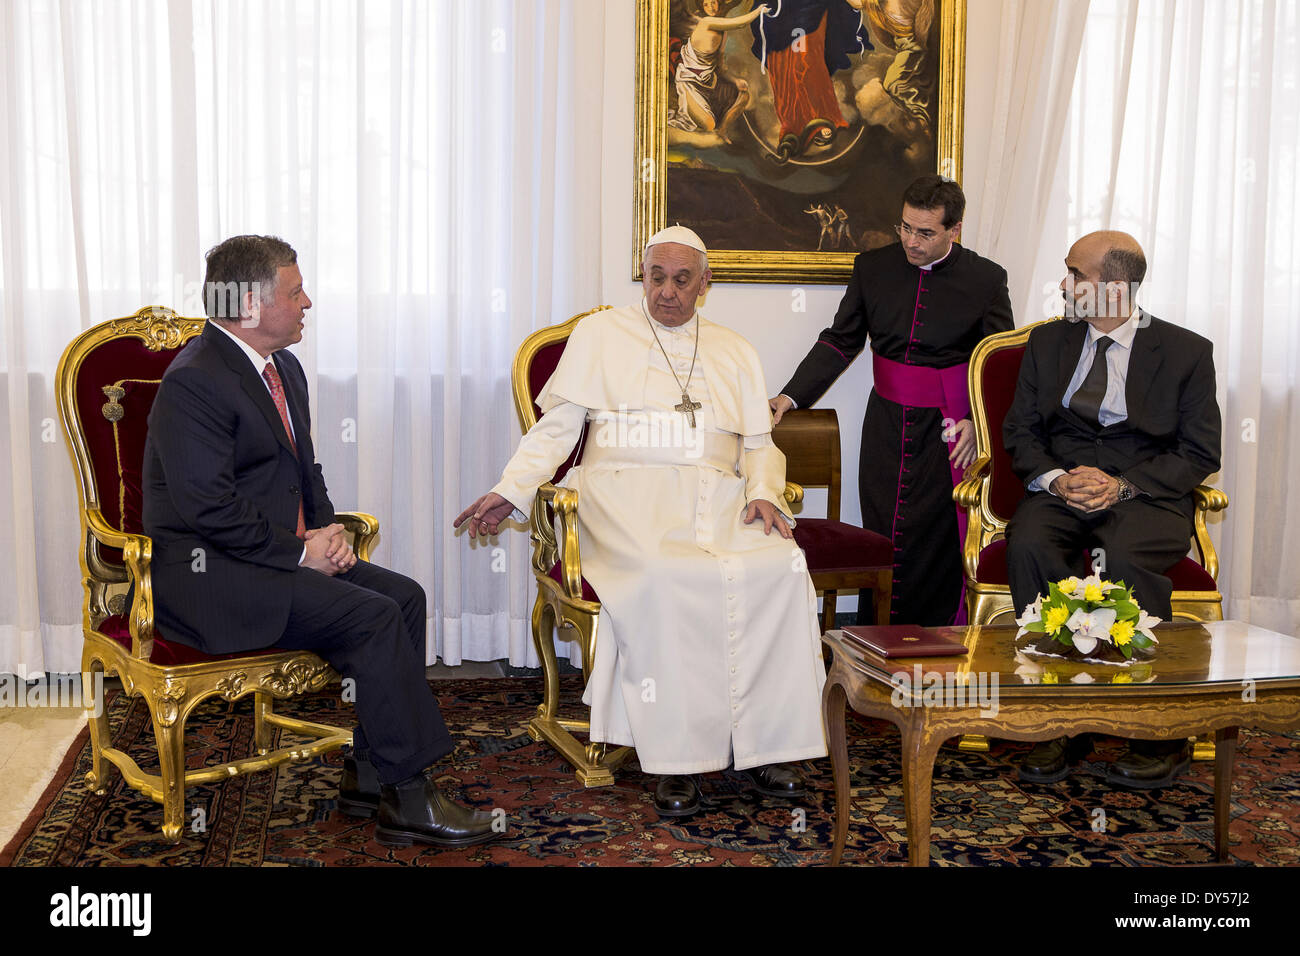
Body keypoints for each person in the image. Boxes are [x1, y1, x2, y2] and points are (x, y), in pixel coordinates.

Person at [142, 235, 500, 848]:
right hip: (212, 578)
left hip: (274, 558)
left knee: (405, 596)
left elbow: (305, 470)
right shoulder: (195, 381)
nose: (308, 301)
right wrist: (298, 552)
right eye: (295, 290)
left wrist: (328, 534)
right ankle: (410, 797)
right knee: (375, 617)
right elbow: (207, 508)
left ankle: (368, 774)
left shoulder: (283, 368)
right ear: (250, 305)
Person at [456, 226, 827, 818]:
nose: (668, 293)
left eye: (683, 280)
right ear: (644, 277)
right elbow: (555, 431)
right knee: (661, 574)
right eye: (657, 278)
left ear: (705, 284)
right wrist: (512, 489)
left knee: (781, 563)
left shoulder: (735, 348)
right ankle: (674, 757)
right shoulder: (601, 335)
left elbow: (759, 442)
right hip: (624, 494)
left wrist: (762, 492)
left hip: (718, 495)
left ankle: (769, 746)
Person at [1003, 230, 1222, 789]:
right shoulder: (1048, 343)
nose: (1064, 283)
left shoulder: (1185, 352)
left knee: (1121, 554)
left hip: (1143, 494)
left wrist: (1122, 486)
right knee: (1028, 540)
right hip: (1065, 490)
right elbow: (1021, 431)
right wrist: (1055, 480)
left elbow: (1199, 451)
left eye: (1075, 274)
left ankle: (1157, 731)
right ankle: (1057, 720)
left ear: (1114, 288)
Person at [772, 175, 1013, 627]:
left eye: (925, 233)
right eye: (905, 227)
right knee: (882, 530)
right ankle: (876, 642)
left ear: (954, 230)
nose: (911, 241)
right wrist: (790, 395)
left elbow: (997, 360)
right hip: (885, 423)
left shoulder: (986, 279)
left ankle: (937, 643)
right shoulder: (873, 267)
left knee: (937, 538)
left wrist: (978, 422)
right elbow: (840, 341)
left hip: (949, 428)